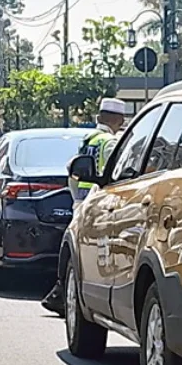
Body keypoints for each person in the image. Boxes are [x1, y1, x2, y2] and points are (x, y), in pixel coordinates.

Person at [41, 97, 128, 316]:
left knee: (76, 252)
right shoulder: (110, 142)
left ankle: (62, 294)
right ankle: (67, 295)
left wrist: (76, 198)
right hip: (99, 203)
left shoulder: (90, 138)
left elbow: (73, 170)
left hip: (81, 201)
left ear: (99, 117)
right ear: (120, 120)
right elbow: (116, 174)